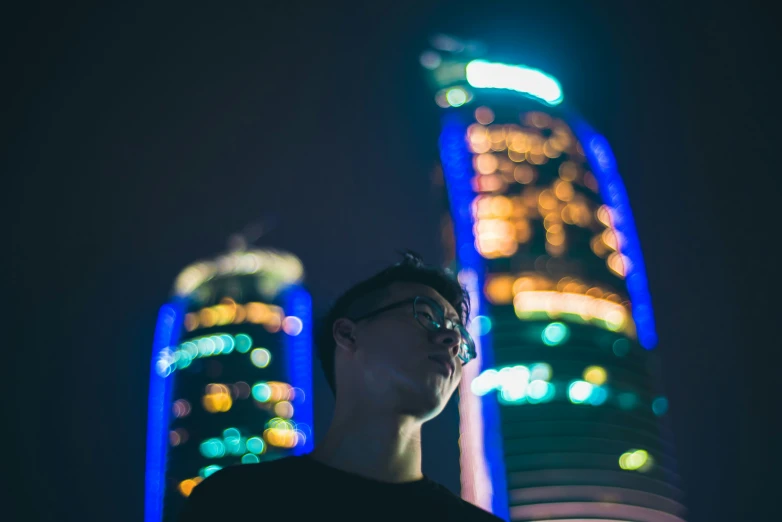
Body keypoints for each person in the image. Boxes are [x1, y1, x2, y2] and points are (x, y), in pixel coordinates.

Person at [178, 251, 503, 521]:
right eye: (427, 315)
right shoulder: (234, 503)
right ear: (348, 334)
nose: (450, 339)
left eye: (460, 338)